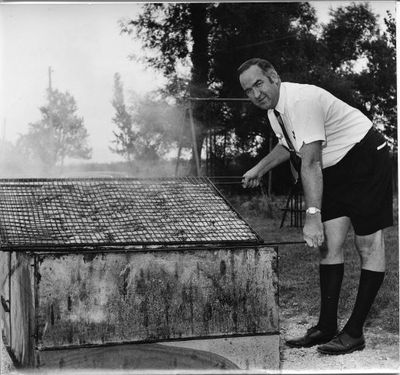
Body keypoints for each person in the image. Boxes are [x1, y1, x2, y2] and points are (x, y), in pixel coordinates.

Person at [238, 58, 393, 355]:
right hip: (336, 165)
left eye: (258, 84)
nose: (255, 94)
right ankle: (326, 327)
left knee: (367, 244)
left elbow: (309, 162)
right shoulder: (275, 110)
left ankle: (355, 332)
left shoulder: (301, 102)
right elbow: (288, 145)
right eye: (248, 90)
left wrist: (312, 216)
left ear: (273, 77)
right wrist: (259, 168)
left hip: (365, 157)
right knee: (329, 245)